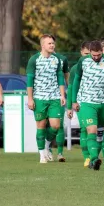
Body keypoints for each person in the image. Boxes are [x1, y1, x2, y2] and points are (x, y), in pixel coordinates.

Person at [71, 40, 104, 170]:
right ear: (90, 52)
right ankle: (94, 159)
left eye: (98, 55)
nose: (96, 57)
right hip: (88, 102)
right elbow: (76, 81)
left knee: (101, 134)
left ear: (101, 51)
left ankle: (96, 158)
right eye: (93, 55)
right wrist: (74, 100)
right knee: (91, 130)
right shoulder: (83, 62)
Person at [26, 34, 66, 164]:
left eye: (53, 43)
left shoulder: (57, 60)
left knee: (55, 125)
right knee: (41, 126)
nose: (52, 45)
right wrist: (30, 99)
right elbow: (30, 81)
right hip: (39, 98)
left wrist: (62, 95)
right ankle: (42, 154)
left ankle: (47, 144)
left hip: (54, 97)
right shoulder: (34, 60)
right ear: (42, 45)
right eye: (49, 43)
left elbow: (60, 78)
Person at [66, 41, 91, 166]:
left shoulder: (99, 65)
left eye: (89, 53)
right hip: (81, 102)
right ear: (81, 53)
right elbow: (70, 87)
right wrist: (69, 106)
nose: (87, 56)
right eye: (85, 53)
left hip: (97, 102)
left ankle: (97, 155)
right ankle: (87, 156)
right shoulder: (76, 68)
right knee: (85, 129)